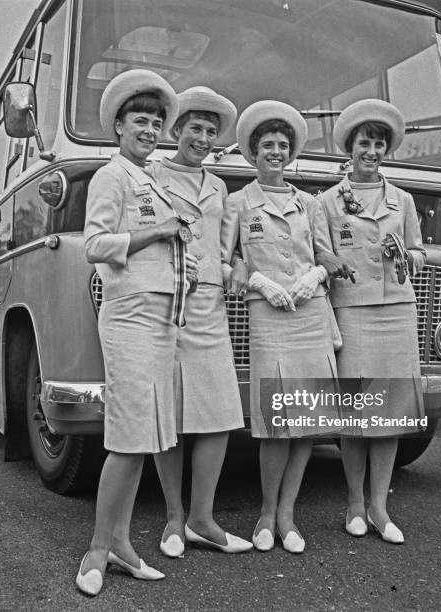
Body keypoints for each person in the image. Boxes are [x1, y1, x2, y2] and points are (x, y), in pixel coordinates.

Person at [77, 69, 196, 595]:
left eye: (155, 121)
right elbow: (96, 245)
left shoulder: (151, 181)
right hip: (129, 317)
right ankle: (97, 550)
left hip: (162, 317)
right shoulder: (113, 176)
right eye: (139, 120)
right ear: (119, 128)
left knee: (145, 437)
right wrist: (159, 232)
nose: (150, 128)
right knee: (128, 439)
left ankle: (121, 545)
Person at [222, 100, 341, 554]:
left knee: (308, 421)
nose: (275, 151)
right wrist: (257, 280)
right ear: (253, 153)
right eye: (267, 145)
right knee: (276, 421)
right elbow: (227, 257)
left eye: (282, 145)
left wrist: (315, 277)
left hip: (310, 314)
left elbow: (326, 256)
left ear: (291, 153)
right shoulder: (238, 202)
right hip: (269, 313)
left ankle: (288, 514)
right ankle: (266, 514)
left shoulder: (310, 203)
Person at [316, 98, 426, 544]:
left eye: (380, 143)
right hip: (354, 312)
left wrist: (408, 257)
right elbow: (322, 255)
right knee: (357, 415)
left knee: (391, 414)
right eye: (366, 142)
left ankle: (380, 506)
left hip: (397, 311)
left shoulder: (403, 199)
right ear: (351, 146)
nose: (373, 150)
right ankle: (355, 504)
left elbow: (420, 250)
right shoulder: (326, 202)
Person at [151, 86, 252, 556]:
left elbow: (228, 250)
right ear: (176, 130)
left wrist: (238, 271)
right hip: (165, 306)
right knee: (168, 413)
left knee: (217, 415)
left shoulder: (219, 187)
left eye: (212, 132)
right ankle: (173, 518)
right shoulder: (150, 175)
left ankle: (202, 518)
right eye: (195, 128)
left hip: (209, 307)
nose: (204, 138)